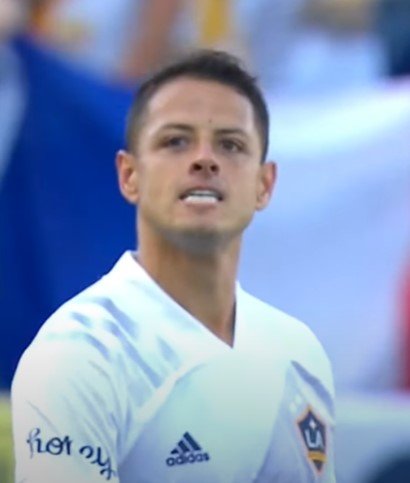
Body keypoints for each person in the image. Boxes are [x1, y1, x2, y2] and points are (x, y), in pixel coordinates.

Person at [11, 50, 335, 482]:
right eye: (176, 141)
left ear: (265, 184)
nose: (204, 159)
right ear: (129, 176)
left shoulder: (299, 353)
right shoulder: (76, 355)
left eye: (231, 145)